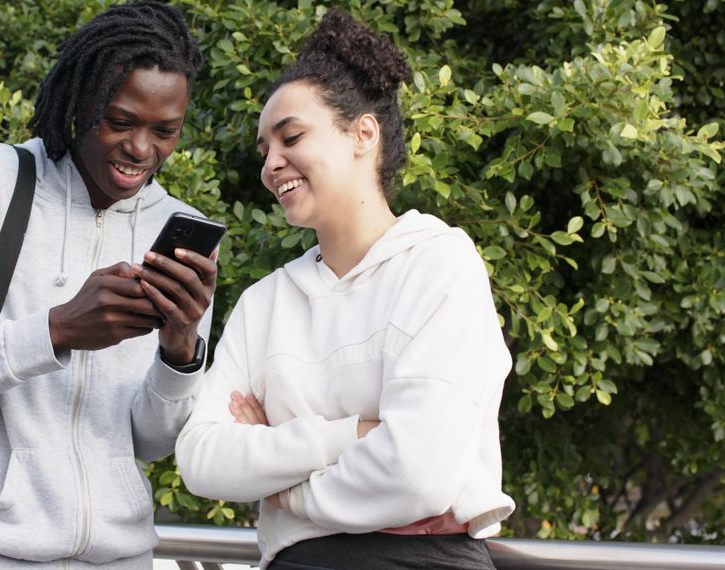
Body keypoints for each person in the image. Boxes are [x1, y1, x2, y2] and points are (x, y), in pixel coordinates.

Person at [0, 3, 215, 568]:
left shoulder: (181, 232)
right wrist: (56, 330)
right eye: (120, 120)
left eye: (165, 131)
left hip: (123, 557)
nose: (141, 149)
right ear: (82, 103)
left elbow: (152, 442)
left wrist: (179, 352)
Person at [175, 10, 515, 570]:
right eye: (264, 149)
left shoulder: (439, 263)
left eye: (291, 137)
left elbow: (417, 474)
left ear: (363, 134)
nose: (271, 164)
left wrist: (288, 494)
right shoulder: (266, 302)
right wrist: (350, 434)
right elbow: (201, 458)